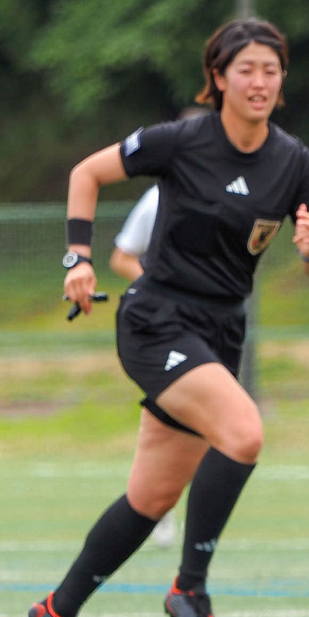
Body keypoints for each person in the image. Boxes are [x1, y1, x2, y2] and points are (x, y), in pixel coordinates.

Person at [27, 18, 309, 617]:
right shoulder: (181, 140)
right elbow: (87, 173)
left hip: (222, 333)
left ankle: (58, 611)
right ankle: (189, 587)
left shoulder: (294, 162)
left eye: (271, 71)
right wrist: (75, 260)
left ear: (282, 83)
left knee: (150, 499)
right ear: (218, 78)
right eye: (246, 69)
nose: (259, 81)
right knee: (244, 432)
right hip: (156, 320)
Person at [107, 184, 175, 549]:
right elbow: (122, 256)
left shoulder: (249, 184)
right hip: (169, 327)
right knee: (167, 420)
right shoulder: (159, 196)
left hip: (219, 322)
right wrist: (162, 291)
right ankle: (156, 506)